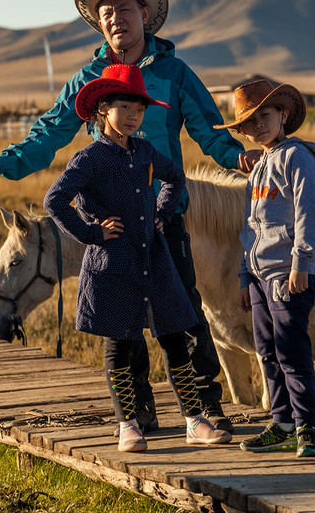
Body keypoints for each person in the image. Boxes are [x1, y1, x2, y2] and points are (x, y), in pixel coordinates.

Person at [0, 0, 260, 433]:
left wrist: (240, 157)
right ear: (99, 25)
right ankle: (137, 418)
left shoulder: (173, 74)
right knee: (122, 327)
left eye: (123, 10)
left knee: (183, 317)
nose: (115, 19)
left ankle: (204, 410)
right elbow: (50, 135)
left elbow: (207, 129)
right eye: (106, 14)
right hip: (112, 229)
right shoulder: (88, 81)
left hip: (164, 224)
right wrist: (3, 163)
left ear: (145, 14)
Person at [43, 63, 230, 451]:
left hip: (154, 259)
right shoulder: (90, 158)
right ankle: (128, 424)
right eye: (125, 108)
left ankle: (194, 422)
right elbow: (54, 200)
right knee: (120, 343)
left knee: (175, 336)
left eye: (139, 110)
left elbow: (175, 177)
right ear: (103, 110)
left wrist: (162, 213)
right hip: (113, 264)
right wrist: (92, 233)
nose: (133, 116)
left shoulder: (145, 150)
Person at [216, 79, 315, 457]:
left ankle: (306, 428)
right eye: (249, 124)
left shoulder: (296, 158)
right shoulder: (260, 166)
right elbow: (251, 226)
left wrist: (302, 262)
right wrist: (245, 276)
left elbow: (308, 213)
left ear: (282, 114)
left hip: (288, 272)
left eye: (264, 116)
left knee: (291, 350)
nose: (258, 127)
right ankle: (281, 422)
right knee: (267, 351)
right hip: (261, 275)